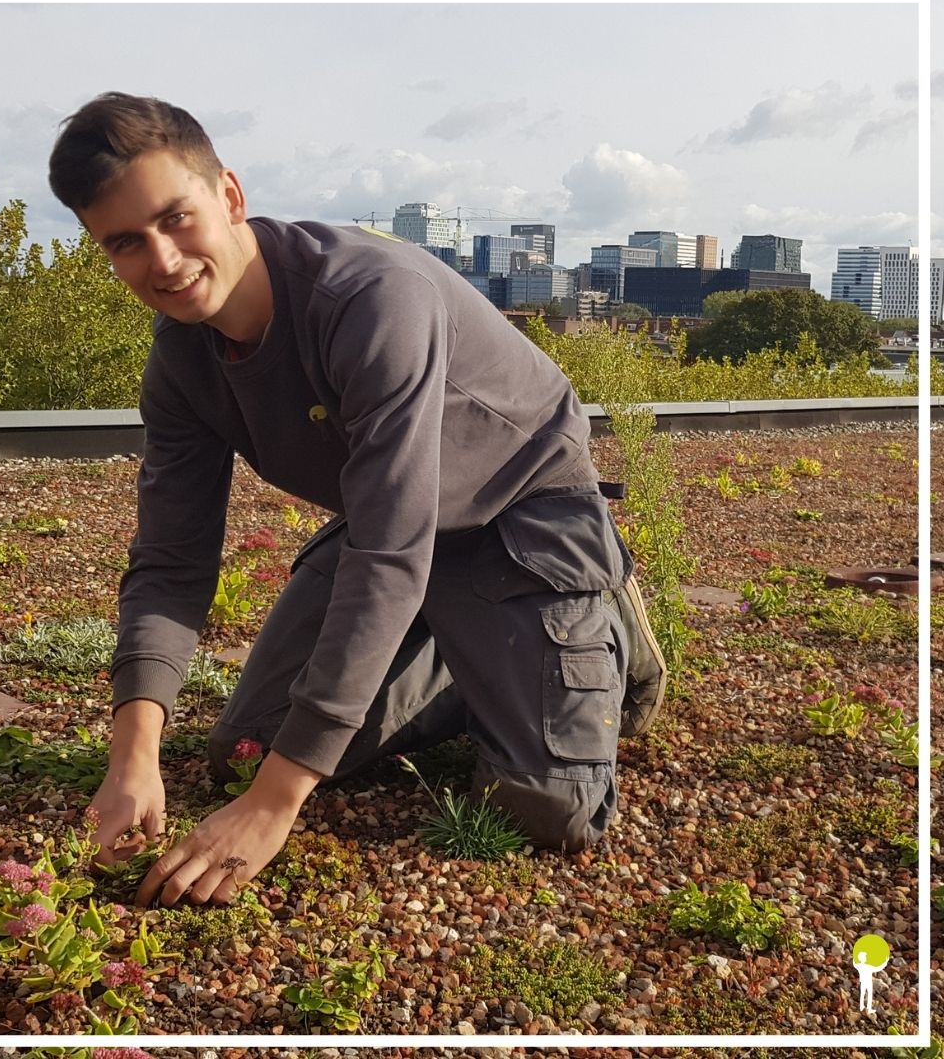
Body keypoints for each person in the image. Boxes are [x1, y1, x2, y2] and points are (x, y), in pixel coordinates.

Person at [47, 92, 667, 908]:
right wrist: (133, 754)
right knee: (245, 747)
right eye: (125, 243)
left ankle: (598, 620)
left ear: (229, 195)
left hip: (522, 510)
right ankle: (471, 646)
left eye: (176, 218)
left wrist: (274, 807)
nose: (161, 260)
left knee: (547, 809)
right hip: (395, 523)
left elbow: (386, 556)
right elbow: (171, 560)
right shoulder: (181, 369)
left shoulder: (370, 299)